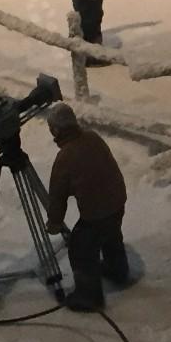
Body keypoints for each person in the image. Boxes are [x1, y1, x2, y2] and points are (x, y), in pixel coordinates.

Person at [43, 103, 129, 313]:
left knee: (81, 248)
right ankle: (117, 270)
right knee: (111, 236)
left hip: (97, 212)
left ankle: (89, 296)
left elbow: (57, 195)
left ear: (56, 130)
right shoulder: (92, 137)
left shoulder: (65, 156)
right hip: (117, 202)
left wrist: (54, 222)